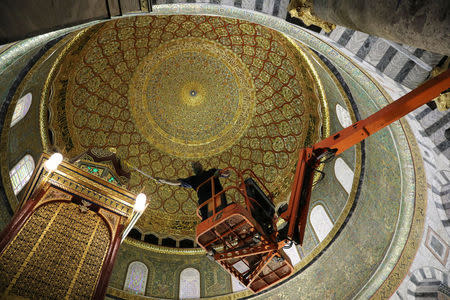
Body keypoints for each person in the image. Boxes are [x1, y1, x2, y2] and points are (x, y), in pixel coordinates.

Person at [156, 162, 230, 220]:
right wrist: (164, 181)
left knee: (221, 214)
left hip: (217, 197)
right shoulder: (193, 179)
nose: (196, 166)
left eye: (197, 164)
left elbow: (226, 173)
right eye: (194, 166)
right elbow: (178, 182)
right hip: (204, 203)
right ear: (193, 170)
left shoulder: (211, 172)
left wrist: (221, 173)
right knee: (207, 219)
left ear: (201, 166)